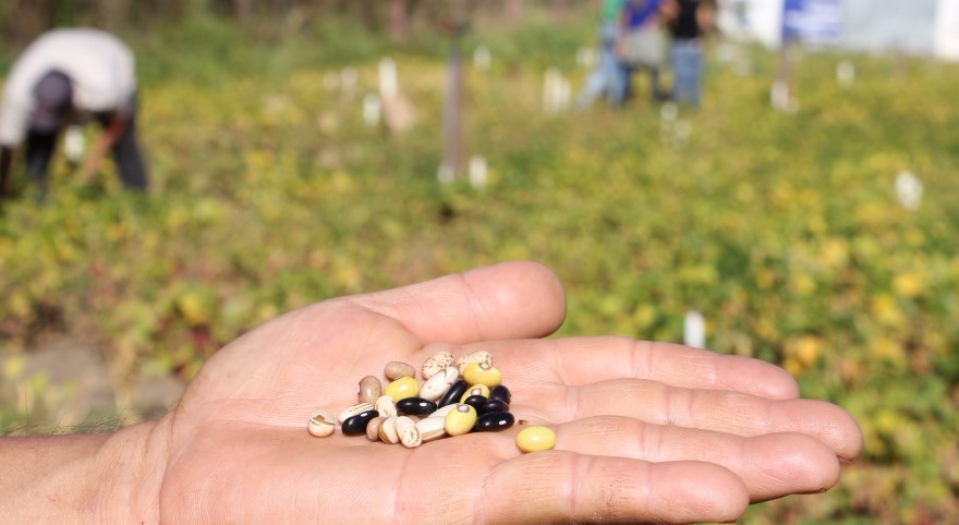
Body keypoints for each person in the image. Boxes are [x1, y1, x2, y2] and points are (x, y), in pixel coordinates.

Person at [0, 261, 863, 523]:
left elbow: (463, 405)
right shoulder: (405, 404)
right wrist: (142, 483)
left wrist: (132, 482)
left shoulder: (448, 399)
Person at [0, 28, 149, 202]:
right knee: (40, 141)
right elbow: (7, 144)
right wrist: (3, 184)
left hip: (111, 62)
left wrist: (97, 153)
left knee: (125, 144)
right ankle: (36, 195)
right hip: (54, 51)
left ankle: (138, 197)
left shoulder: (104, 88)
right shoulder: (18, 93)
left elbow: (121, 118)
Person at [575, 0, 642, 110]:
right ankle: (614, 104)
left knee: (605, 65)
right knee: (617, 68)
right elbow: (625, 10)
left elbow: (599, 2)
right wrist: (623, 34)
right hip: (620, 27)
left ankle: (587, 101)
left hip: (605, 25)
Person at [615, 0, 672, 105]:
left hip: (633, 35)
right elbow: (670, 10)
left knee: (630, 69)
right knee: (654, 69)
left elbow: (623, 18)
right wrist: (658, 20)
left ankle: (625, 97)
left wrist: (621, 38)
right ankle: (655, 96)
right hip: (648, 36)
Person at [667, 0, 713, 106]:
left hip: (679, 43)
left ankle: (679, 104)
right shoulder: (697, 3)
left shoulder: (674, 2)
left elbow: (668, 17)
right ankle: (694, 105)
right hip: (695, 43)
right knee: (695, 78)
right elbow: (705, 23)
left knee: (679, 77)